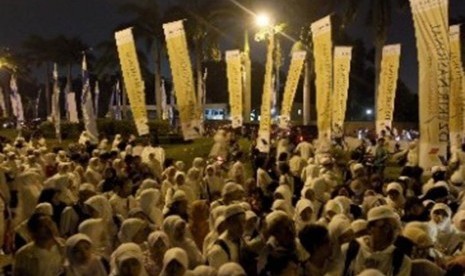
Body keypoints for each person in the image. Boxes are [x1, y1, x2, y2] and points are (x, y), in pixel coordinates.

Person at [340, 205, 411, 275]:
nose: (391, 233)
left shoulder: (401, 261)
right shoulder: (348, 251)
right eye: (385, 228)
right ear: (369, 228)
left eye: (394, 228)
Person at [207, 204, 246, 269]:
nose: (241, 227)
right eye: (236, 222)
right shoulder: (218, 250)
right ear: (227, 224)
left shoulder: (240, 239)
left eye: (243, 222)